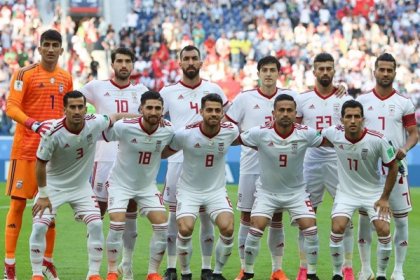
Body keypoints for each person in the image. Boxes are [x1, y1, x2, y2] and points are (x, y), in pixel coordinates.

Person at [29, 90, 125, 280]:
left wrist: (143, 117)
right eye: (72, 107)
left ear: (84, 108)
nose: (77, 111)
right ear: (65, 110)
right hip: (53, 187)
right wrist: (42, 193)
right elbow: (40, 163)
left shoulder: (95, 121)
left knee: (96, 224)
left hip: (81, 187)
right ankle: (37, 274)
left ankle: (93, 274)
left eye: (80, 106)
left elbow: (115, 117)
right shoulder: (52, 132)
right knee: (39, 227)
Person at [4, 29, 73, 280]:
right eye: (47, 45)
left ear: (62, 50)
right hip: (25, 150)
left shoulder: (66, 77)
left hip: (53, 154)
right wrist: (33, 124)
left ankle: (47, 262)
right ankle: (9, 264)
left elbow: (68, 112)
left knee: (49, 210)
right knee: (18, 205)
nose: (51, 49)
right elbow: (11, 106)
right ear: (40, 48)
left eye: (56, 45)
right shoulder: (24, 74)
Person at [223, 55, 297, 280]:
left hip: (278, 169)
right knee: (246, 217)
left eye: (272, 70)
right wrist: (246, 140)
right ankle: (245, 268)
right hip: (250, 166)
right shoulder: (245, 98)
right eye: (264, 69)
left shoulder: (289, 97)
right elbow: (228, 126)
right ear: (258, 73)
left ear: (278, 73)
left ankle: (277, 269)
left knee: (276, 217)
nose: (268, 74)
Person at [159, 45, 230, 280]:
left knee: (208, 216)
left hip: (206, 161)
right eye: (186, 59)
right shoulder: (168, 92)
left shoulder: (213, 89)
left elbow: (226, 119)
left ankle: (207, 268)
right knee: (174, 217)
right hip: (178, 159)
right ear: (179, 63)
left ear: (201, 62)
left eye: (194, 58)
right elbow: (158, 120)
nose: (190, 62)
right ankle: (171, 267)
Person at [79, 47, 148, 279]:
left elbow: (151, 118)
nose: (124, 65)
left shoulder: (141, 91)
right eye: (120, 61)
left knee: (129, 212)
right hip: (103, 157)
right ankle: (94, 269)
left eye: (128, 61)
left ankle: (126, 265)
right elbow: (72, 105)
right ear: (113, 64)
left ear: (133, 65)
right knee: (97, 214)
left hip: (131, 160)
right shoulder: (96, 87)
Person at [239, 94, 322, 280]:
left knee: (311, 228)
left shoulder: (306, 133)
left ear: (295, 113)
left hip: (296, 192)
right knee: (256, 226)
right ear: (273, 113)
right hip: (267, 192)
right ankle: (248, 272)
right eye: (281, 110)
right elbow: (237, 139)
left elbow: (328, 141)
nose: (285, 114)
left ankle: (312, 274)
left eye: (289, 110)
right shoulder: (260, 133)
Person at [162, 94, 238, 280]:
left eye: (217, 110)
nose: (213, 114)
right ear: (201, 111)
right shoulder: (185, 134)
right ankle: (186, 273)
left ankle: (216, 273)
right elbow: (163, 153)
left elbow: (247, 140)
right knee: (185, 228)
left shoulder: (231, 131)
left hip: (216, 191)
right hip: (189, 191)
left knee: (228, 229)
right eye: (209, 110)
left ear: (222, 113)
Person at [356, 53, 418, 280]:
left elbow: (414, 134)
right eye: (381, 69)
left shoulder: (404, 103)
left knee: (401, 220)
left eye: (389, 70)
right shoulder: (362, 101)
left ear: (394, 72)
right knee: (365, 218)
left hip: (396, 170)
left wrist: (405, 148)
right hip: (369, 171)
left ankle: (398, 270)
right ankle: (365, 269)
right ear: (374, 71)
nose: (385, 73)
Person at [322, 100, 398, 280]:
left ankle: (380, 275)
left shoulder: (377, 139)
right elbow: (312, 136)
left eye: (357, 116)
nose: (353, 120)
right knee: (338, 226)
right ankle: (337, 273)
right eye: (349, 116)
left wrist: (385, 198)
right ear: (342, 119)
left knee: (384, 229)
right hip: (346, 193)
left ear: (363, 119)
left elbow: (393, 167)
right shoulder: (333, 133)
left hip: (373, 192)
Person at [103, 91, 174, 280]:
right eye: (149, 107)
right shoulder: (124, 127)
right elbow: (103, 134)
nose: (153, 111)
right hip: (120, 183)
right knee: (117, 223)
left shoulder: (168, 129)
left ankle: (152, 272)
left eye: (157, 108)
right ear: (141, 109)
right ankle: (112, 271)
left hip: (146, 186)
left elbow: (169, 148)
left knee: (162, 226)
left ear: (162, 110)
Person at [295, 53, 354, 280]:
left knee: (344, 215)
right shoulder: (302, 99)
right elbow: (296, 130)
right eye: (321, 68)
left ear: (334, 70)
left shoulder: (343, 99)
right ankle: (304, 268)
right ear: (314, 71)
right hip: (310, 162)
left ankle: (346, 268)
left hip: (338, 162)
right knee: (307, 217)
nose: (325, 72)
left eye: (329, 68)